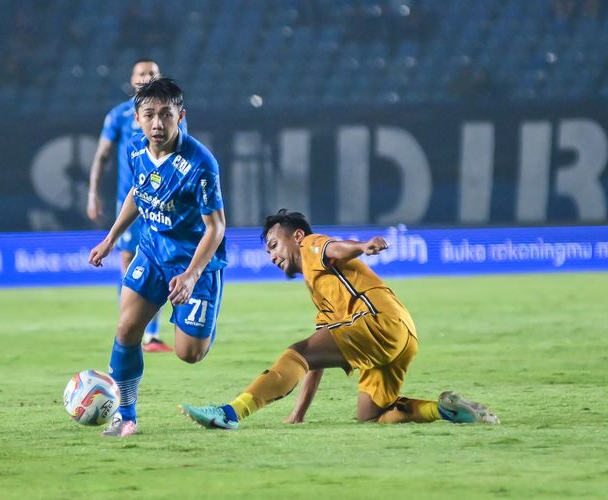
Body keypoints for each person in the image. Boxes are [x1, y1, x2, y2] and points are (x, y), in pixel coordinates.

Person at [181, 209, 499, 429]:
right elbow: (315, 362)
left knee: (299, 351)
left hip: (377, 322)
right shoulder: (322, 291)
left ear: (297, 235)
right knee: (371, 416)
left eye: (275, 245)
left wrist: (361, 246)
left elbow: (334, 248)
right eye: (267, 252)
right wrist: (299, 414)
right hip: (401, 333)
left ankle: (232, 412)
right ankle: (444, 409)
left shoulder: (310, 244)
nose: (272, 256)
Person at [89, 77, 227, 437]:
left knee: (189, 353)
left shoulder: (201, 164)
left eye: (166, 114)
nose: (157, 123)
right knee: (126, 328)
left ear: (180, 116)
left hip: (193, 262)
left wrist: (194, 275)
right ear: (136, 118)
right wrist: (111, 239)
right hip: (151, 251)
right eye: (149, 114)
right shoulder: (136, 149)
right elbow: (138, 191)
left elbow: (216, 228)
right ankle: (125, 414)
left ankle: (201, 314)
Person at [87, 59, 187, 353]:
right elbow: (102, 155)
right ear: (132, 80)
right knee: (129, 267)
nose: (146, 77)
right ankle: (130, 327)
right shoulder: (119, 116)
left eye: (152, 74)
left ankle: (151, 335)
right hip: (129, 200)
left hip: (161, 201)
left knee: (159, 262)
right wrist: (92, 192)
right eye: (141, 74)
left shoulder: (170, 114)